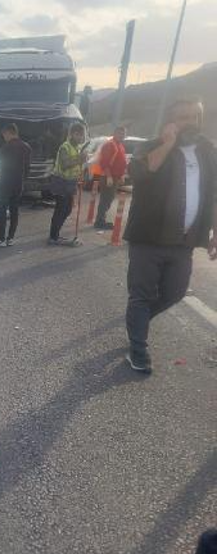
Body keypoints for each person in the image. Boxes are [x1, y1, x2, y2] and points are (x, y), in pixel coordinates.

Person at [124, 97, 217, 374]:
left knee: (175, 292)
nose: (190, 123)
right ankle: (138, 348)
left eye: (194, 117)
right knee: (140, 295)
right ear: (170, 121)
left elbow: (213, 194)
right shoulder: (150, 146)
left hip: (184, 241)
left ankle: (136, 322)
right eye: (183, 117)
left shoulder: (207, 152)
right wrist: (167, 143)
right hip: (147, 239)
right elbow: (140, 174)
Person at [0, 123, 31, 247]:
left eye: (4, 135)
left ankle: (1, 239)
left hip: (6, 181)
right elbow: (28, 168)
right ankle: (10, 238)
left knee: (2, 209)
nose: (4, 137)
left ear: (8, 133)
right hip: (18, 183)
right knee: (14, 210)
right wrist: (22, 179)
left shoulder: (5, 148)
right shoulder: (27, 147)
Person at [49, 124, 87, 246]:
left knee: (68, 209)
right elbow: (65, 165)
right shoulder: (65, 147)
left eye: (82, 135)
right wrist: (79, 158)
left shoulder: (77, 147)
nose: (81, 137)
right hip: (61, 182)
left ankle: (56, 233)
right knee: (60, 210)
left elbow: (77, 165)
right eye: (78, 134)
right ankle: (53, 237)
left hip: (70, 182)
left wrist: (81, 167)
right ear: (72, 134)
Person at [94, 126, 128, 230]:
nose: (122, 136)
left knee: (109, 199)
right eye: (120, 133)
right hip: (109, 177)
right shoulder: (110, 145)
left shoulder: (120, 146)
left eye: (124, 134)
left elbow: (121, 163)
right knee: (105, 200)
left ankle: (101, 220)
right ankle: (99, 222)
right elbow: (104, 162)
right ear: (115, 133)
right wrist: (109, 177)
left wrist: (122, 175)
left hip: (115, 178)